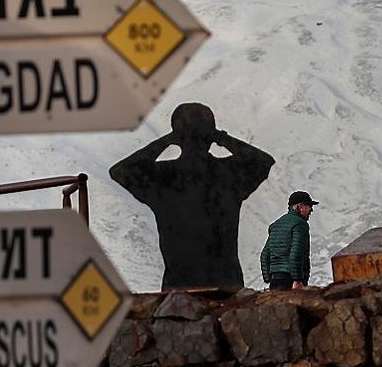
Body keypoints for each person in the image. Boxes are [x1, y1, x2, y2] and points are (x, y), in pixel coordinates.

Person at [109, 102, 274, 290]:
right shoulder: (228, 173)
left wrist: (166, 140)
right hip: (226, 282)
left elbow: (121, 171)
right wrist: (221, 138)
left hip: (179, 285)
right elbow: (263, 161)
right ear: (210, 134)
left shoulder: (163, 177)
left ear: (177, 135)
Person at [260, 191, 317, 291]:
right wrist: (298, 280)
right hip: (291, 280)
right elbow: (296, 253)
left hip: (275, 279)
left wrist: (268, 278)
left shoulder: (276, 225)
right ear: (301, 207)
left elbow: (264, 254)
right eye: (309, 206)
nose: (311, 210)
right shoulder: (300, 224)